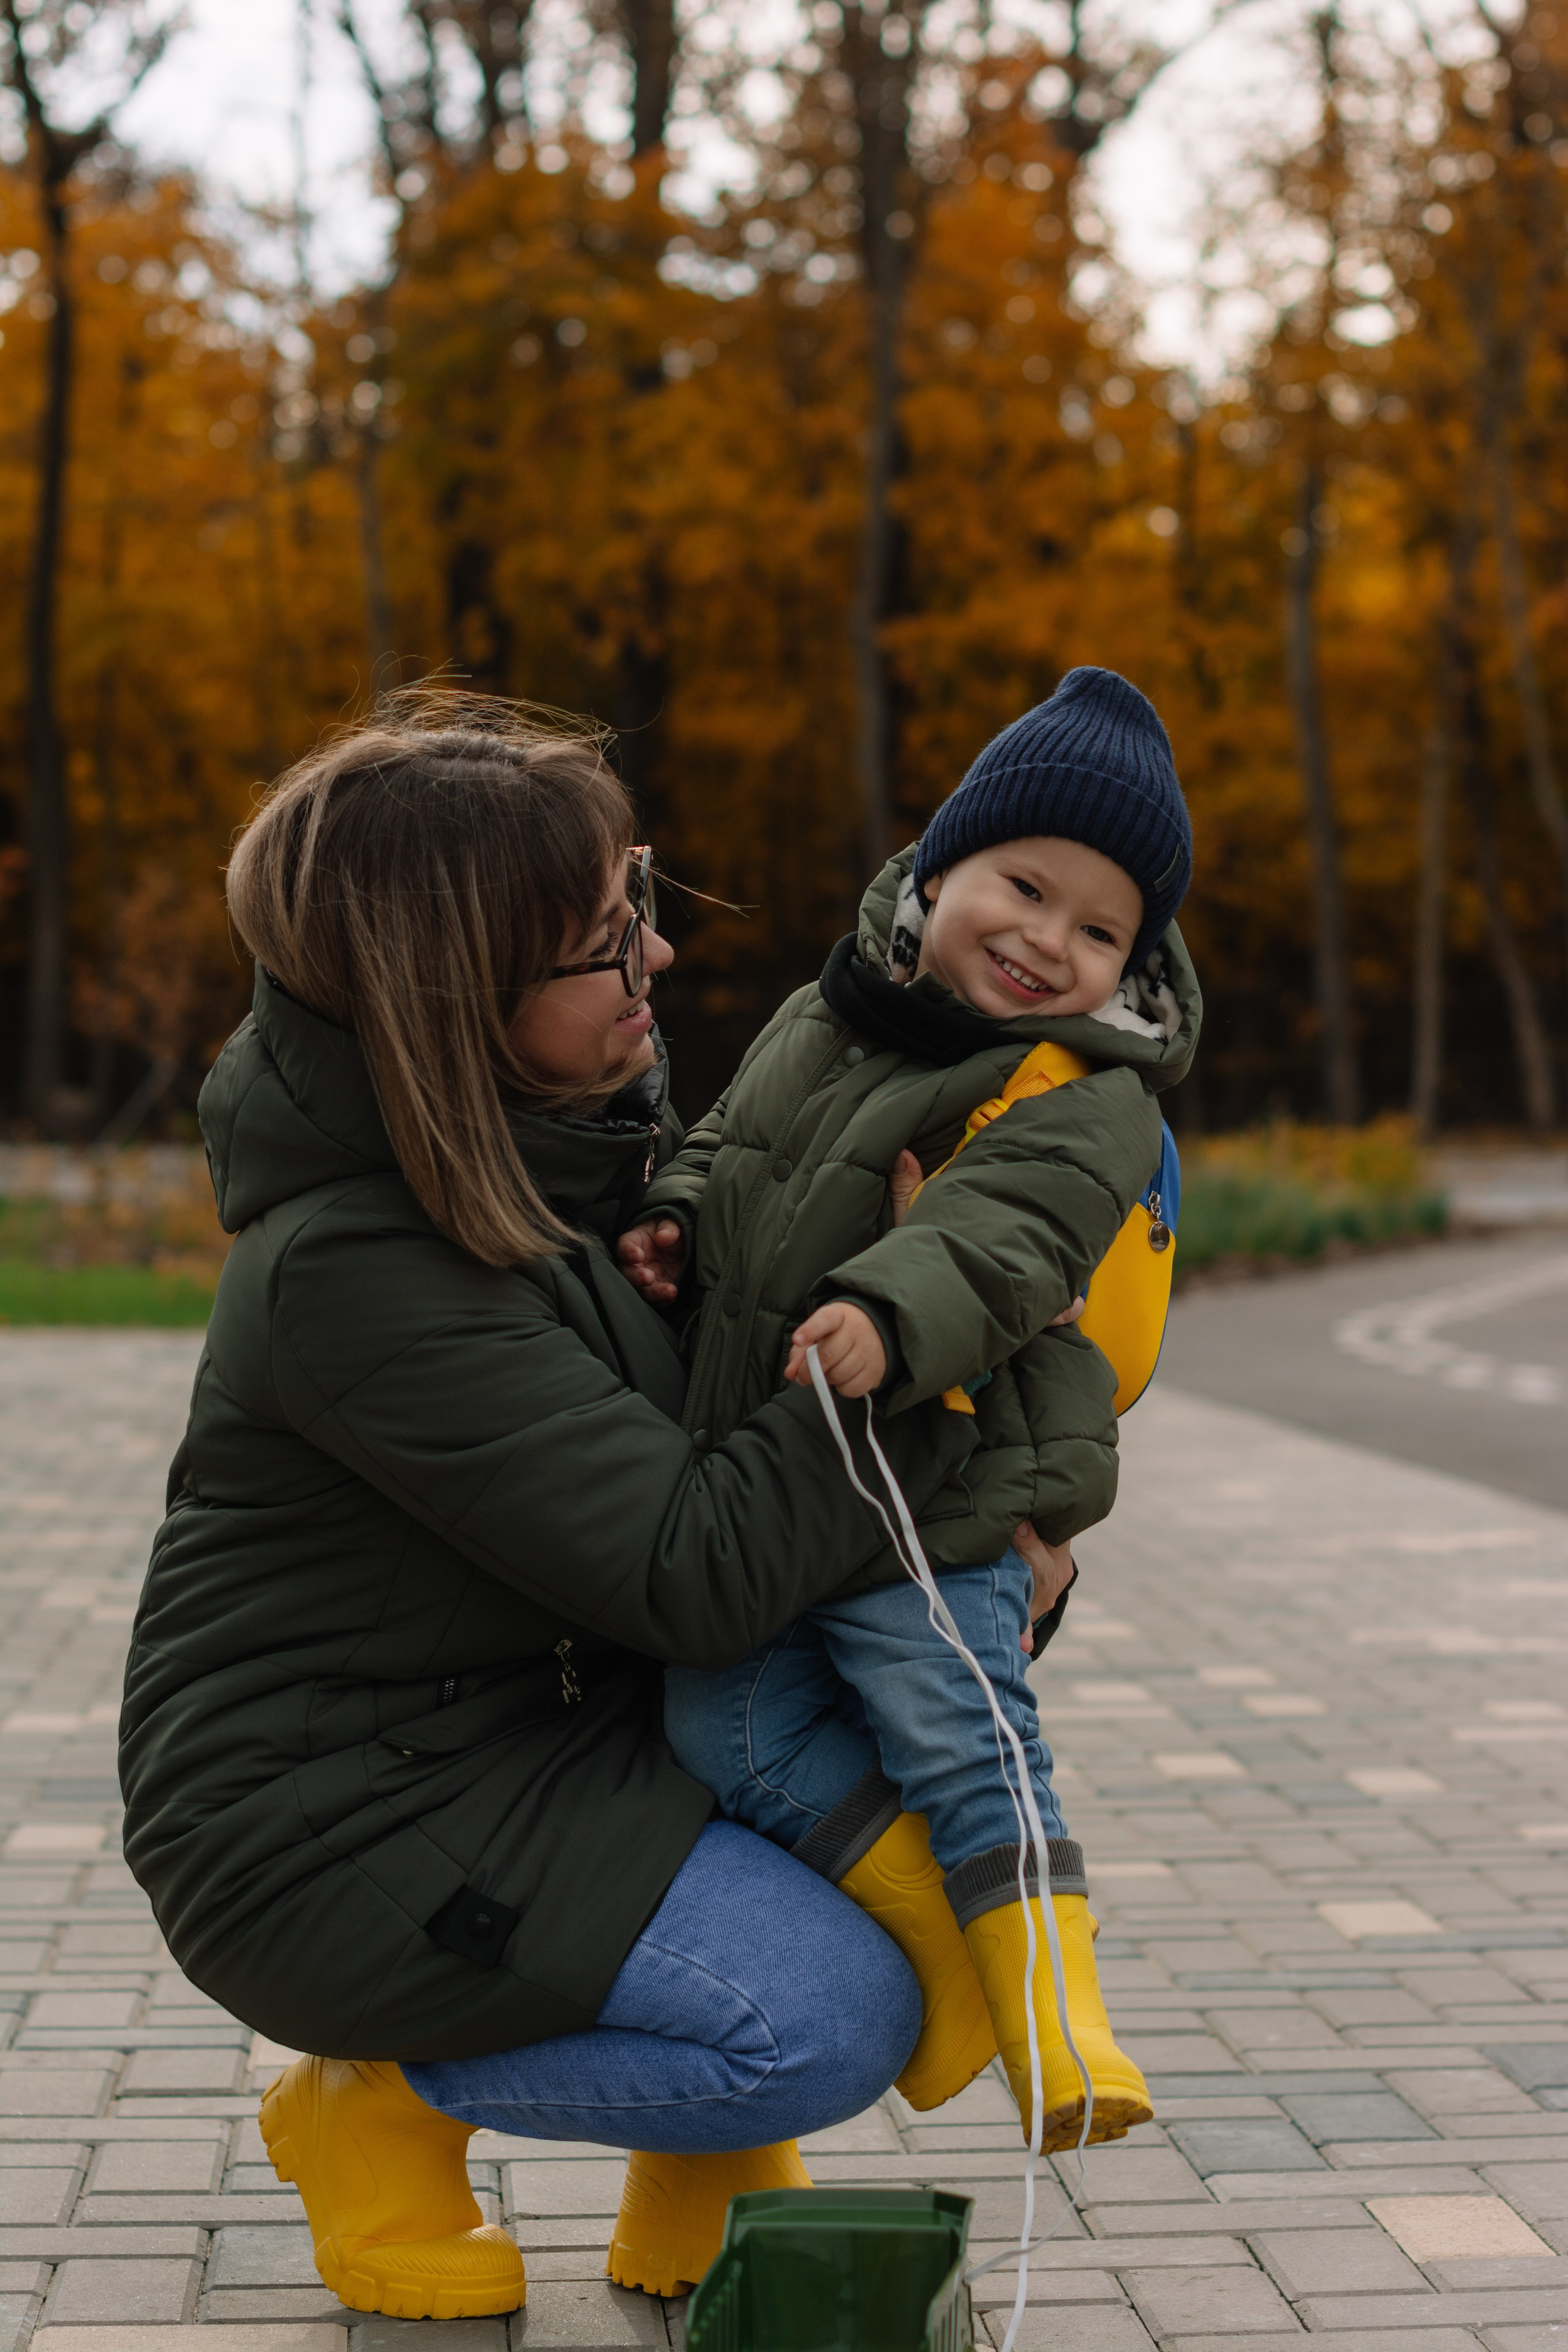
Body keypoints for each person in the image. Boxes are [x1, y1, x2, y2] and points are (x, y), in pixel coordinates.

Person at [116, 695, 984, 2320]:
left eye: (635, 896)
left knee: (946, 1777)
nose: (655, 957)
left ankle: (701, 2175)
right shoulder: (351, 1274)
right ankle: (371, 2095)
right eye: (606, 939)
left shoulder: (576, 1156)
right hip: (325, 1824)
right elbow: (700, 1565)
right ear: (452, 1002)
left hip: (537, 1732)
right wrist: (923, 1354)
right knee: (832, 2017)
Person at [618, 668, 1201, 2150]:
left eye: (1098, 931)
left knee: (960, 1727)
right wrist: (678, 1219)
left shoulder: (1083, 1089)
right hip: (777, 1481)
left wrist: (890, 1308)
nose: (1046, 942)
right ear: (935, 870)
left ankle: (1059, 2021)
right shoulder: (823, 1017)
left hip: (931, 1492)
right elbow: (732, 1141)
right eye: (1023, 885)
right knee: (724, 1726)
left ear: (1132, 966)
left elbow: (1001, 1234)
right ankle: (951, 1972)